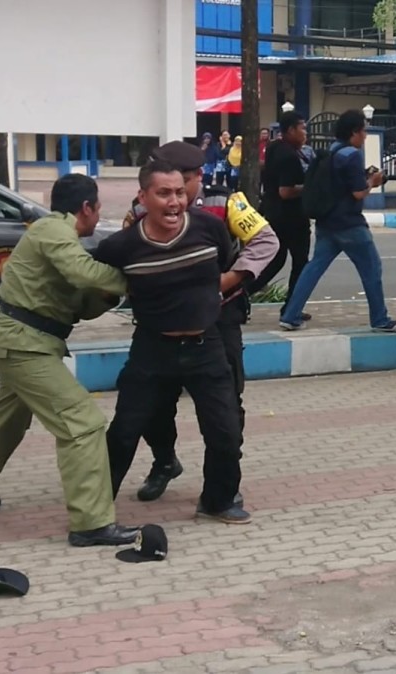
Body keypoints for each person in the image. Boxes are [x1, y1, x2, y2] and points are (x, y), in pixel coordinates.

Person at [0, 174, 140, 547]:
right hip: (24, 345)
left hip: (25, 343)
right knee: (82, 422)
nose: (98, 216)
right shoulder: (53, 230)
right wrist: (137, 278)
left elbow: (81, 305)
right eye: (97, 209)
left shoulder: (61, 240)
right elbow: (83, 272)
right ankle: (91, 523)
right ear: (87, 208)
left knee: (7, 424)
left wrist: (109, 294)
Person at [117, 141, 278, 503]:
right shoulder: (142, 209)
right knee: (152, 406)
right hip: (162, 327)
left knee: (225, 408)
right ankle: (164, 461)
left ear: (197, 177)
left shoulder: (227, 202)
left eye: (183, 181)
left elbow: (266, 241)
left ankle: (223, 485)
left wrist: (230, 278)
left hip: (219, 319)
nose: (174, 192)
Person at [94, 161, 249, 525]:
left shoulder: (210, 228)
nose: (175, 201)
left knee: (225, 431)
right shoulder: (121, 247)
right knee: (124, 431)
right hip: (152, 349)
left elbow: (226, 267)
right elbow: (97, 285)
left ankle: (217, 501)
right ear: (143, 197)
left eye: (180, 192)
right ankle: (95, 508)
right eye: (163, 193)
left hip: (206, 345)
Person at [278, 109, 396, 333]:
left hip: (326, 222)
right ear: (354, 132)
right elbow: (358, 192)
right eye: (364, 131)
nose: (365, 136)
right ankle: (380, 319)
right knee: (372, 268)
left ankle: (290, 315)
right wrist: (373, 181)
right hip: (349, 224)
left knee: (314, 268)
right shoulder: (352, 155)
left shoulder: (333, 151)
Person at [251, 111, 314, 321]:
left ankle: (238, 297)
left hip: (273, 213)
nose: (305, 133)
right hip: (291, 218)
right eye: (302, 128)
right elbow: (285, 191)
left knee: (275, 262)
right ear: (290, 130)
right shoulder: (289, 157)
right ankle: (291, 308)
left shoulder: (274, 147)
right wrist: (310, 187)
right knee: (300, 263)